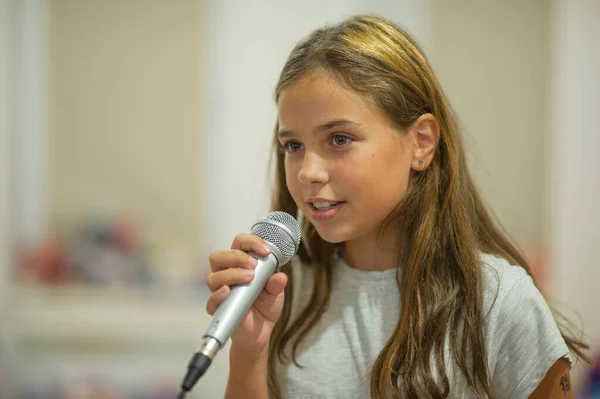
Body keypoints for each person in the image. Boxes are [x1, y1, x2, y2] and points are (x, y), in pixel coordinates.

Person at [204, 15, 589, 398]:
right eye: (293, 146)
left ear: (421, 142)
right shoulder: (280, 290)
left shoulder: (501, 301)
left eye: (339, 139)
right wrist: (249, 354)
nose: (307, 173)